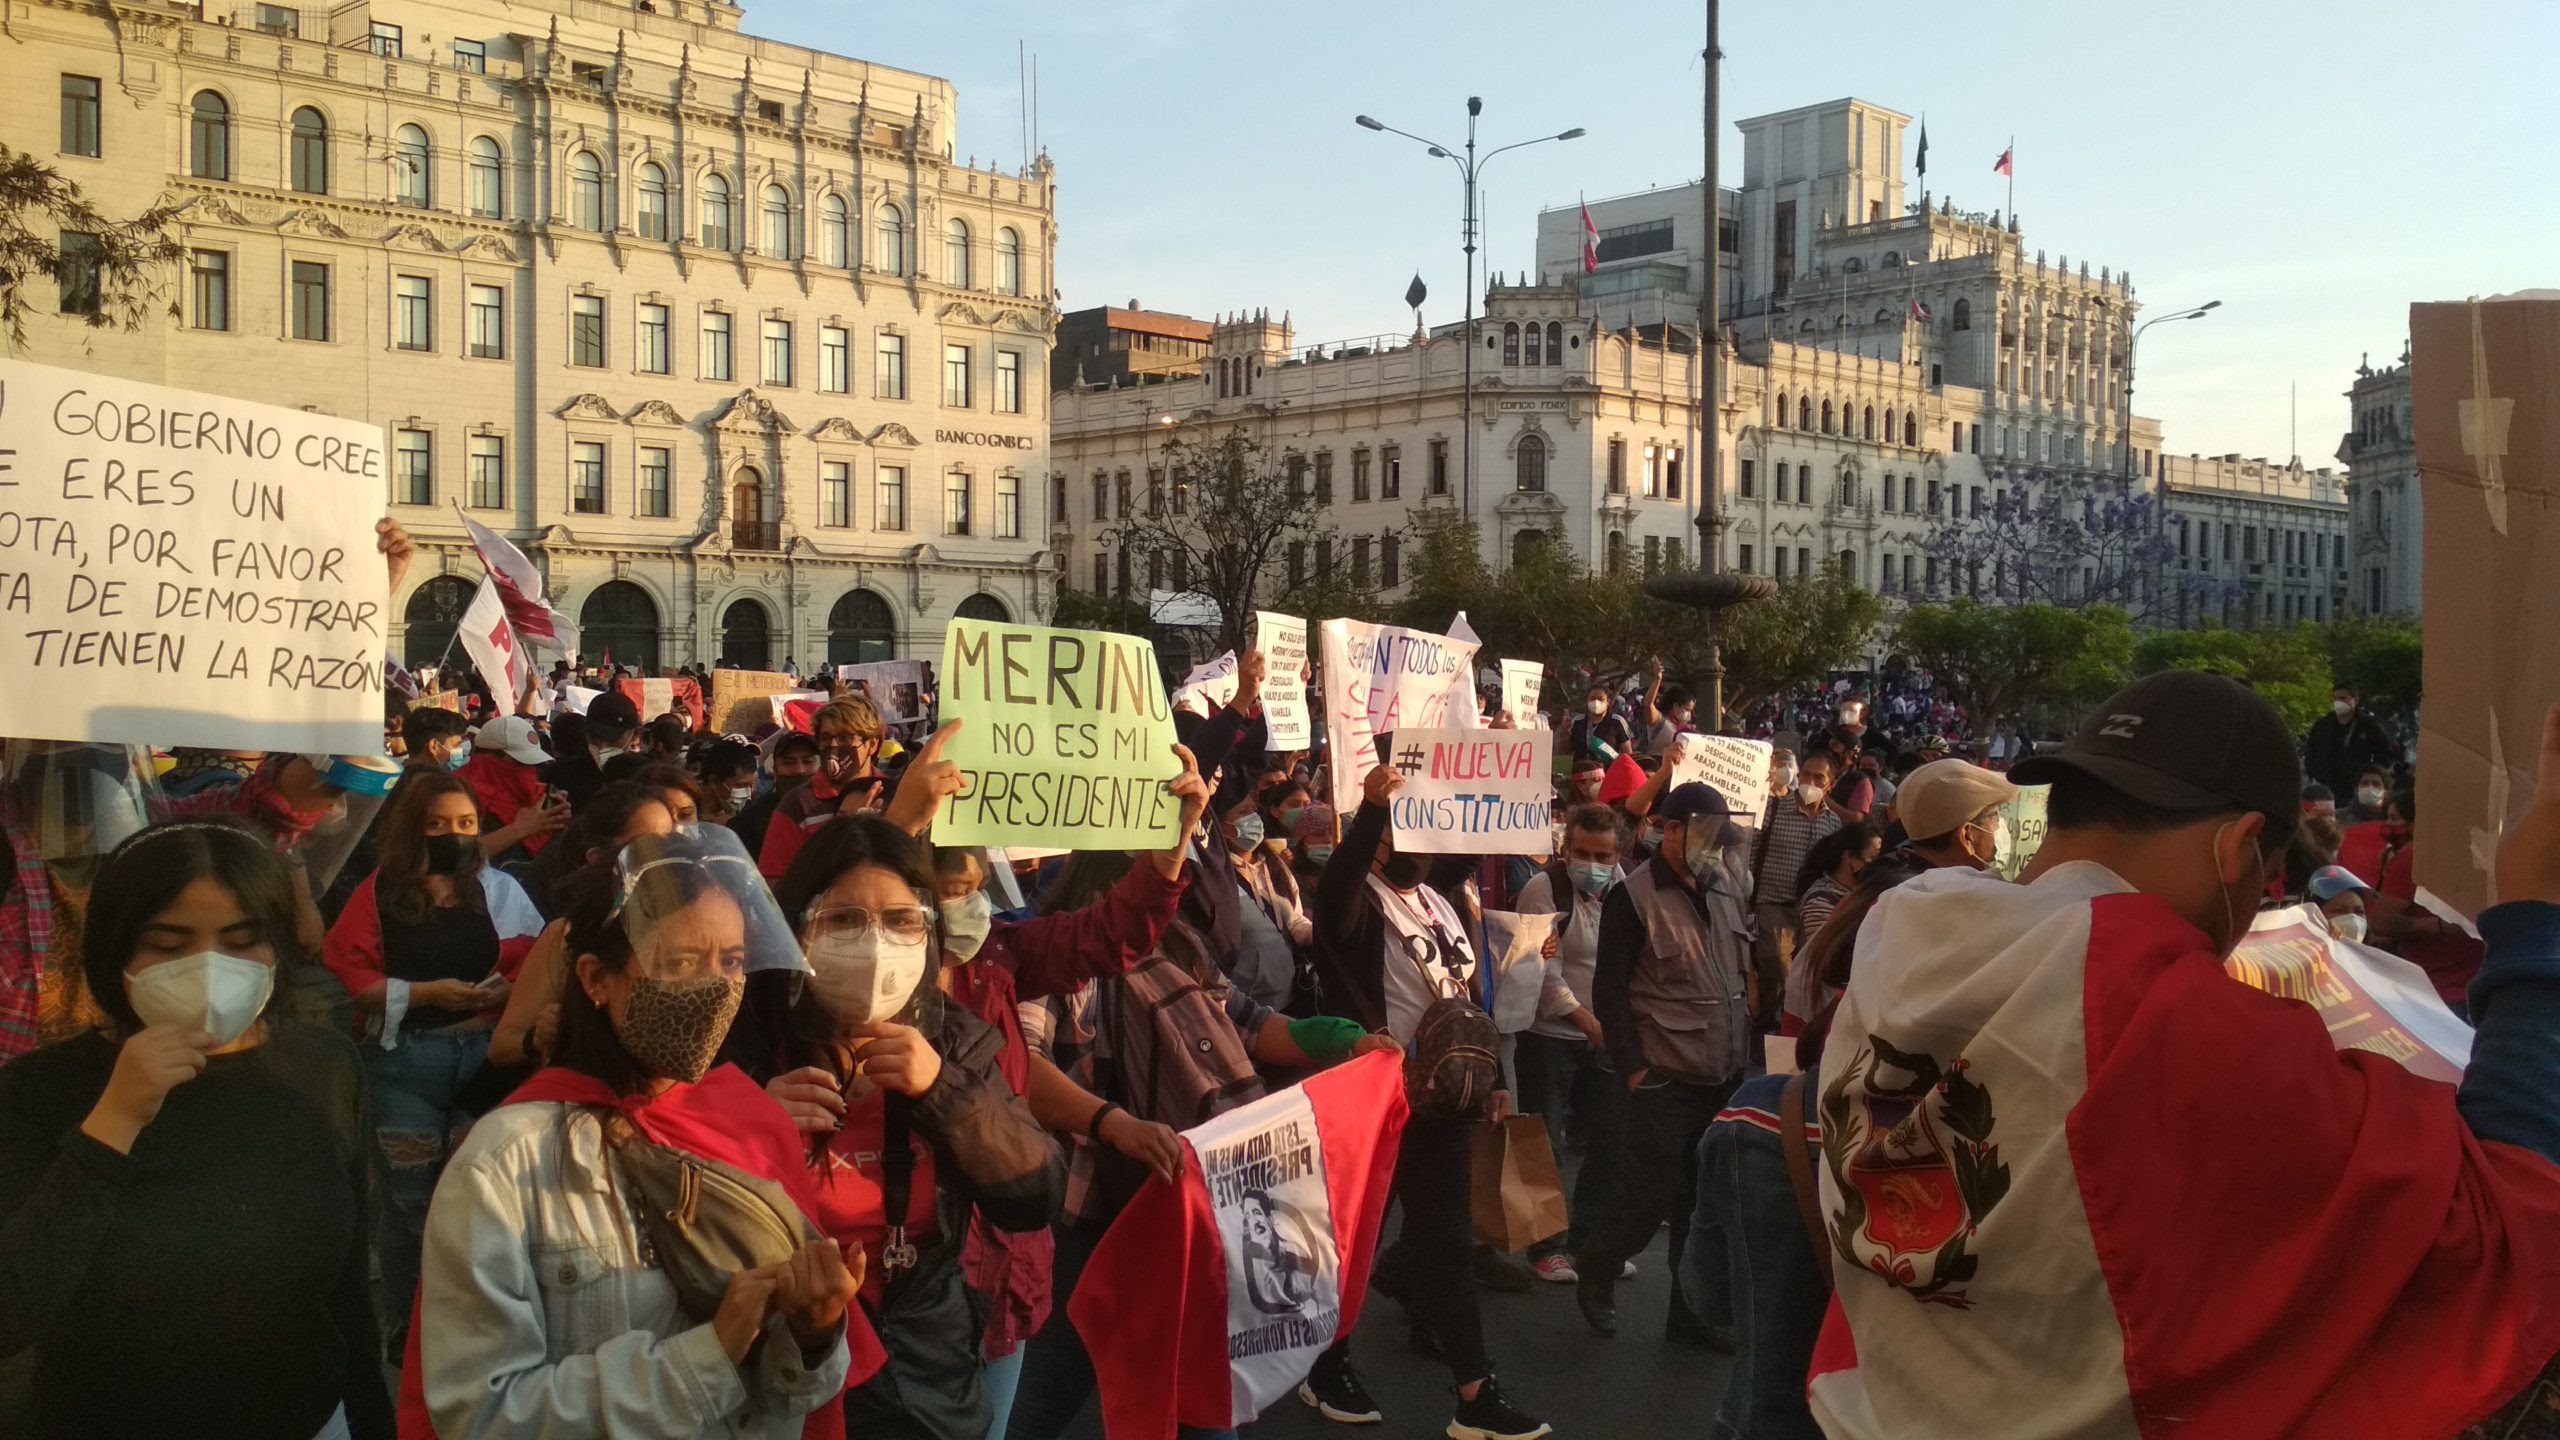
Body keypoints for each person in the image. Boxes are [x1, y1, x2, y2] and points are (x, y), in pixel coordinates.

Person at [1805, 671, 2560, 1438]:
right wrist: (2536, 911)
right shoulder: (2163, 1016)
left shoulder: (1902, 928)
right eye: (2266, 881)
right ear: (2235, 850)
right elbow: (2500, 1225)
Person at [416, 826, 862, 1440]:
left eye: (730, 962)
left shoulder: (750, 1124)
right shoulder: (504, 1165)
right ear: (597, 980)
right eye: (677, 962)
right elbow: (482, 1415)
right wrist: (707, 1355)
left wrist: (813, 1336)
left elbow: (791, 1398)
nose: (711, 988)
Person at [0, 819, 393, 1439]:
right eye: (167, 944)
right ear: (115, 950)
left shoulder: (321, 1067)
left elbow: (345, 1287)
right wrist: (112, 1124)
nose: (208, 970)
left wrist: (372, 1419)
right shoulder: (39, 1092)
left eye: (241, 941)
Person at [742, 816, 1065, 1440]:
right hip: (780, 1376)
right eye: (841, 921)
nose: (874, 945)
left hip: (926, 1374)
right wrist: (752, 1129)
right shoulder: (751, 1041)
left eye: (899, 921)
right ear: (795, 929)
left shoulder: (952, 1040)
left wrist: (942, 1090)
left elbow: (1035, 1194)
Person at [1304, 761, 1549, 1440]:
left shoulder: (1439, 900)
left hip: (1440, 1102)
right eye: (1401, 830)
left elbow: (1462, 996)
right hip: (1374, 1098)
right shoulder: (1354, 902)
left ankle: (1476, 1396)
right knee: (1350, 1242)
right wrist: (1373, 811)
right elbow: (1341, 885)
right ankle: (1326, 1366)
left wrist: (1491, 1078)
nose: (1419, 845)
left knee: (1444, 1245)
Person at [322, 773, 546, 1354]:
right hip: (406, 1065)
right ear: (412, 829)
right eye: (438, 824)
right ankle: (406, 1330)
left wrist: (503, 996)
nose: (454, 834)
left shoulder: (496, 891)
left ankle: (469, 1320)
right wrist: (423, 996)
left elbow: (537, 958)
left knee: (475, 1200)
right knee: (409, 1205)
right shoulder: (378, 893)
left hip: (484, 1063)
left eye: (466, 823)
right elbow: (348, 970)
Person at [1575, 782, 1753, 1346]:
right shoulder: (1634, 896)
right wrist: (1632, 1067)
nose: (1713, 846)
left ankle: (1691, 1315)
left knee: (1703, 1206)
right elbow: (1609, 990)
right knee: (1646, 1195)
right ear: (1669, 830)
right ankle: (1597, 1270)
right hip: (1663, 1074)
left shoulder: (1726, 887)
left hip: (1722, 1075)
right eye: (1702, 833)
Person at [487, 782, 682, 1071]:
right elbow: (501, 1047)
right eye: (644, 845)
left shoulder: (695, 929)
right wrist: (538, 1036)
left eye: (668, 841)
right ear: (598, 858)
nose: (661, 855)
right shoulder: (567, 935)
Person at [1510, 804, 1623, 1286]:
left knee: (1609, 1142)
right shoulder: (1544, 889)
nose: (1592, 864)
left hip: (1606, 1033)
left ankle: (1590, 1243)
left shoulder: (1624, 887)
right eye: (1582, 853)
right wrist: (1587, 1021)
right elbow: (1545, 973)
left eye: (1603, 855)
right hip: (1550, 1035)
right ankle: (1546, 1247)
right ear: (1565, 848)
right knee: (1546, 1144)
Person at [1748, 750, 1839, 1030]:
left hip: (1811, 908)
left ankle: (1787, 1029)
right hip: (1773, 902)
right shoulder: (1774, 810)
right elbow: (1751, 850)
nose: (1810, 781)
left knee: (1804, 974)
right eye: (1806, 775)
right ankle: (1767, 1028)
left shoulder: (1832, 822)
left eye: (1819, 777)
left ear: (1830, 784)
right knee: (1776, 966)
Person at [760, 697, 892, 880]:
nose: (833, 746)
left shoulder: (895, 794)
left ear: (872, 744)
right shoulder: (797, 804)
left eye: (845, 738)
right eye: (826, 738)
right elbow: (774, 883)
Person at [1780, 823, 1882, 1033]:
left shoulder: (1855, 895)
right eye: (1871, 859)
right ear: (1849, 858)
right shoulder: (1821, 900)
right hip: (1813, 1007)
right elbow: (1833, 955)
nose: (1876, 866)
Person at [457, 715, 568, 865]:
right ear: (488, 757)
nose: (528, 770)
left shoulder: (537, 796)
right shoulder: (455, 796)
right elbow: (454, 860)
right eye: (519, 762)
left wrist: (559, 826)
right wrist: (520, 829)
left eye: (533, 763)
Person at [1891, 757, 2019, 873]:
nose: (2000, 825)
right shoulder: (1980, 895)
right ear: (1967, 836)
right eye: (1994, 817)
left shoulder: (1893, 881)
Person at [735, 732, 823, 862]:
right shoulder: (754, 816)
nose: (800, 770)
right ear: (775, 770)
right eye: (788, 763)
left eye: (808, 761)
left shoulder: (838, 808)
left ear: (821, 766)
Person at [550, 690, 641, 812]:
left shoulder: (648, 777)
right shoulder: (558, 775)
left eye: (613, 738)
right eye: (594, 737)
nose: (602, 746)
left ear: (634, 735)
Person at [2303, 683, 2396, 799]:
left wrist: (2371, 775)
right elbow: (2311, 752)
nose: (2338, 702)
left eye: (2342, 698)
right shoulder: (2323, 725)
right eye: (2335, 698)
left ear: (2355, 700)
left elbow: (2385, 753)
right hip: (2327, 786)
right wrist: (2315, 773)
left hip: (2357, 787)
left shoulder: (2369, 725)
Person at [1565, 683, 1634, 767]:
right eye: (1592, 699)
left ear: (1608, 701)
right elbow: (1566, 750)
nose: (1596, 702)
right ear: (1587, 701)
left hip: (1608, 774)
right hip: (1582, 774)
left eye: (1601, 699)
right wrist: (1564, 732)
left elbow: (1628, 754)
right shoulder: (1578, 721)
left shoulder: (1617, 722)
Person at [2308, 864, 2375, 942]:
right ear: (2316, 915)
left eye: (2359, 912)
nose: (2353, 918)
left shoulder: (2373, 954)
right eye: (2339, 910)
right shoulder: (2301, 951)